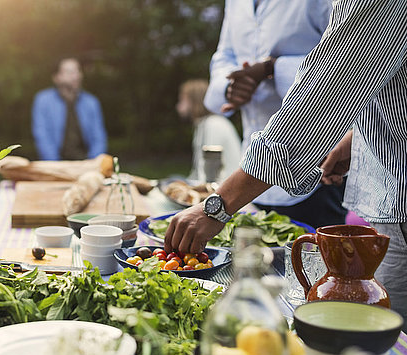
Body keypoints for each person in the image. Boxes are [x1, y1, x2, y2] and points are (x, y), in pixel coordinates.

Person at [165, 0, 407, 329]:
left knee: (385, 351)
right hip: (373, 186)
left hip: (385, 201)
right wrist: (358, 138)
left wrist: (218, 206)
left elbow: (322, 94)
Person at [203, 0, 348, 228]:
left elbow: (347, 63)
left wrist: (273, 69)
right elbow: (225, 56)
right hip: (249, 177)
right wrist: (230, 87)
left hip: (315, 175)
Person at [32, 57, 108, 161]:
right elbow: (42, 136)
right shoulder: (43, 100)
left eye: (78, 71)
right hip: (55, 163)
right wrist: (55, 165)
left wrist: (93, 163)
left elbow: (99, 138)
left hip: (85, 161)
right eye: (69, 72)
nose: (75, 76)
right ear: (56, 77)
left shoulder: (91, 102)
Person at [176, 79, 241, 182]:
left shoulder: (214, 124)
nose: (178, 106)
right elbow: (198, 171)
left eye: (182, 100)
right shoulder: (203, 124)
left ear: (194, 101)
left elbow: (209, 172)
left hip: (224, 188)